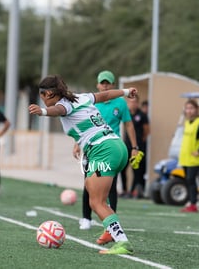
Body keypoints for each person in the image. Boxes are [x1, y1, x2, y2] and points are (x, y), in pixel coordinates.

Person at [29, 74, 137, 255]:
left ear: (48, 93)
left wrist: (43, 112)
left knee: (96, 202)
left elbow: (59, 110)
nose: (42, 100)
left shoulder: (65, 104)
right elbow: (104, 96)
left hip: (103, 150)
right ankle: (110, 230)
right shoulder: (81, 97)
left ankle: (122, 242)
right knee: (91, 187)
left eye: (41, 96)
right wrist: (126, 91)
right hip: (117, 147)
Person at [75, 70, 139, 238]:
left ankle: (111, 225)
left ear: (112, 85)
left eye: (107, 82)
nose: (104, 85)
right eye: (102, 82)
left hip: (112, 150)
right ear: (97, 85)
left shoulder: (121, 103)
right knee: (89, 184)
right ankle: (86, 218)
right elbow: (82, 125)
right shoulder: (91, 103)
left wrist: (135, 146)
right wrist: (77, 145)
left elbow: (129, 125)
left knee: (111, 186)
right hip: (92, 148)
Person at [179, 99, 199, 212]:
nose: (189, 111)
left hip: (194, 158)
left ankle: (194, 204)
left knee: (191, 180)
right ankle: (191, 202)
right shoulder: (187, 122)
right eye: (187, 108)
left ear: (196, 109)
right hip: (185, 158)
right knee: (188, 180)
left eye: (191, 108)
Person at [121, 95, 150, 199]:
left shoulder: (142, 115)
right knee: (122, 169)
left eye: (134, 102)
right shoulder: (126, 114)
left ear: (137, 103)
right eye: (130, 102)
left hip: (137, 148)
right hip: (126, 146)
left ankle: (132, 191)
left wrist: (140, 142)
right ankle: (124, 190)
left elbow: (147, 130)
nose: (132, 104)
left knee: (136, 170)